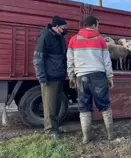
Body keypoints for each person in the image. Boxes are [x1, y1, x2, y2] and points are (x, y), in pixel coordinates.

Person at [67, 15, 114, 144]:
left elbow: (70, 61)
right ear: (94, 25)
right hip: (98, 76)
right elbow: (107, 61)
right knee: (104, 105)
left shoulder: (73, 40)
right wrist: (109, 77)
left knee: (84, 106)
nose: (98, 27)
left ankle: (86, 137)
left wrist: (71, 76)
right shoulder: (101, 40)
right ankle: (110, 134)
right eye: (97, 25)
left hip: (81, 77)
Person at [33, 16, 68, 139]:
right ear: (57, 27)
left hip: (59, 75)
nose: (65, 30)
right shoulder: (45, 37)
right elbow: (38, 58)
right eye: (64, 28)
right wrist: (42, 78)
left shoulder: (60, 38)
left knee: (56, 104)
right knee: (50, 105)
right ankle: (50, 130)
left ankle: (55, 127)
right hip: (49, 77)